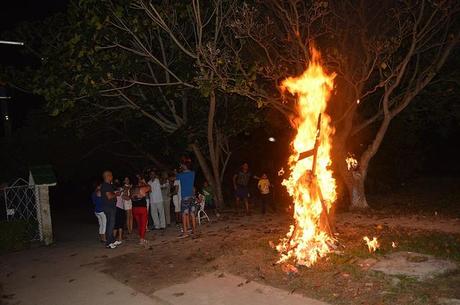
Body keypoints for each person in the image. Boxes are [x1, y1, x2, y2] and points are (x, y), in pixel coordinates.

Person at [100, 171, 119, 249]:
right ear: (107, 176)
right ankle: (109, 243)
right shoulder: (106, 185)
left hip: (109, 207)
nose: (112, 177)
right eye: (111, 175)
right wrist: (116, 194)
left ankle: (112, 240)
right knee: (110, 225)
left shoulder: (107, 185)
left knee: (110, 224)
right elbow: (109, 196)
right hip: (109, 207)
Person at [176, 162, 196, 237]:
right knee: (192, 214)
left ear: (184, 166)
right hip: (192, 197)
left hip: (185, 197)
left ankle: (185, 232)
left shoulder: (180, 175)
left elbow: (175, 177)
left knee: (184, 214)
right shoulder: (193, 173)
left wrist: (179, 170)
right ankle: (194, 231)